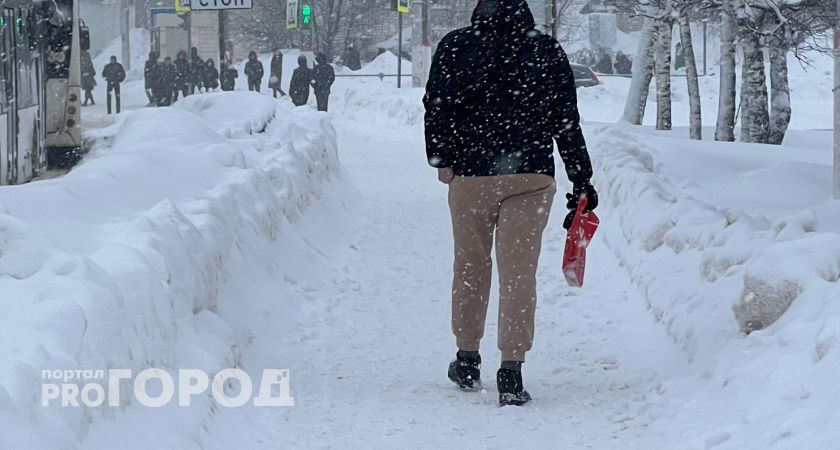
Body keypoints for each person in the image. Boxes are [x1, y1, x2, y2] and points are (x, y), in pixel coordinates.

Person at [423, 0, 597, 407]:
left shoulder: (455, 46)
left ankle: (467, 358)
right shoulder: (546, 50)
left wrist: (441, 158)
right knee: (519, 273)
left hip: (471, 176)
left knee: (471, 265)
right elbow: (566, 118)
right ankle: (511, 371)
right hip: (532, 178)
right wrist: (581, 178)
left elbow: (437, 106)